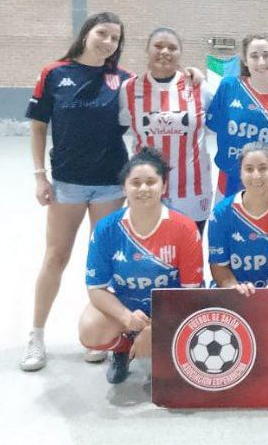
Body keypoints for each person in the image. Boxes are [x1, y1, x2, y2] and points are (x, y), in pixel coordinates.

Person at [21, 12, 132, 372]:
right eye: (103, 33)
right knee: (55, 257)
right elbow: (38, 127)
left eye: (115, 38)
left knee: (103, 263)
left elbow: (160, 90)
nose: (108, 42)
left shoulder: (123, 80)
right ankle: (36, 335)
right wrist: (40, 176)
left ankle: (99, 334)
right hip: (66, 184)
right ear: (87, 33)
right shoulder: (54, 73)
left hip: (110, 185)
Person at [79, 147, 204, 384]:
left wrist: (155, 328)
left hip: (173, 310)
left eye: (151, 182)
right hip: (129, 307)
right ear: (124, 188)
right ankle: (123, 348)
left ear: (164, 186)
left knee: (166, 361)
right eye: (135, 183)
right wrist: (126, 318)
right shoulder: (107, 228)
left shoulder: (185, 228)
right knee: (90, 329)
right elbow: (96, 288)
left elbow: (192, 294)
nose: (143, 188)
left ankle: (162, 346)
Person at [119, 27, 213, 234]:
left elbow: (217, 125)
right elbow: (120, 124)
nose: (165, 51)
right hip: (147, 188)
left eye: (172, 47)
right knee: (152, 253)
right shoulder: (129, 89)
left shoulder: (198, 86)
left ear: (180, 53)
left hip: (192, 189)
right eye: (158, 46)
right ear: (147, 49)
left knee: (190, 252)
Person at [206, 34, 268, 196]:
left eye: (266, 55)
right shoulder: (229, 87)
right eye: (254, 56)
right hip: (229, 183)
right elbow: (211, 128)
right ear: (244, 60)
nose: (261, 62)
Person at [208, 142, 268, 293]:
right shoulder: (221, 214)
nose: (256, 175)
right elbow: (219, 267)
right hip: (236, 294)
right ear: (240, 173)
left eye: (263, 168)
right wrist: (236, 288)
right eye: (249, 169)